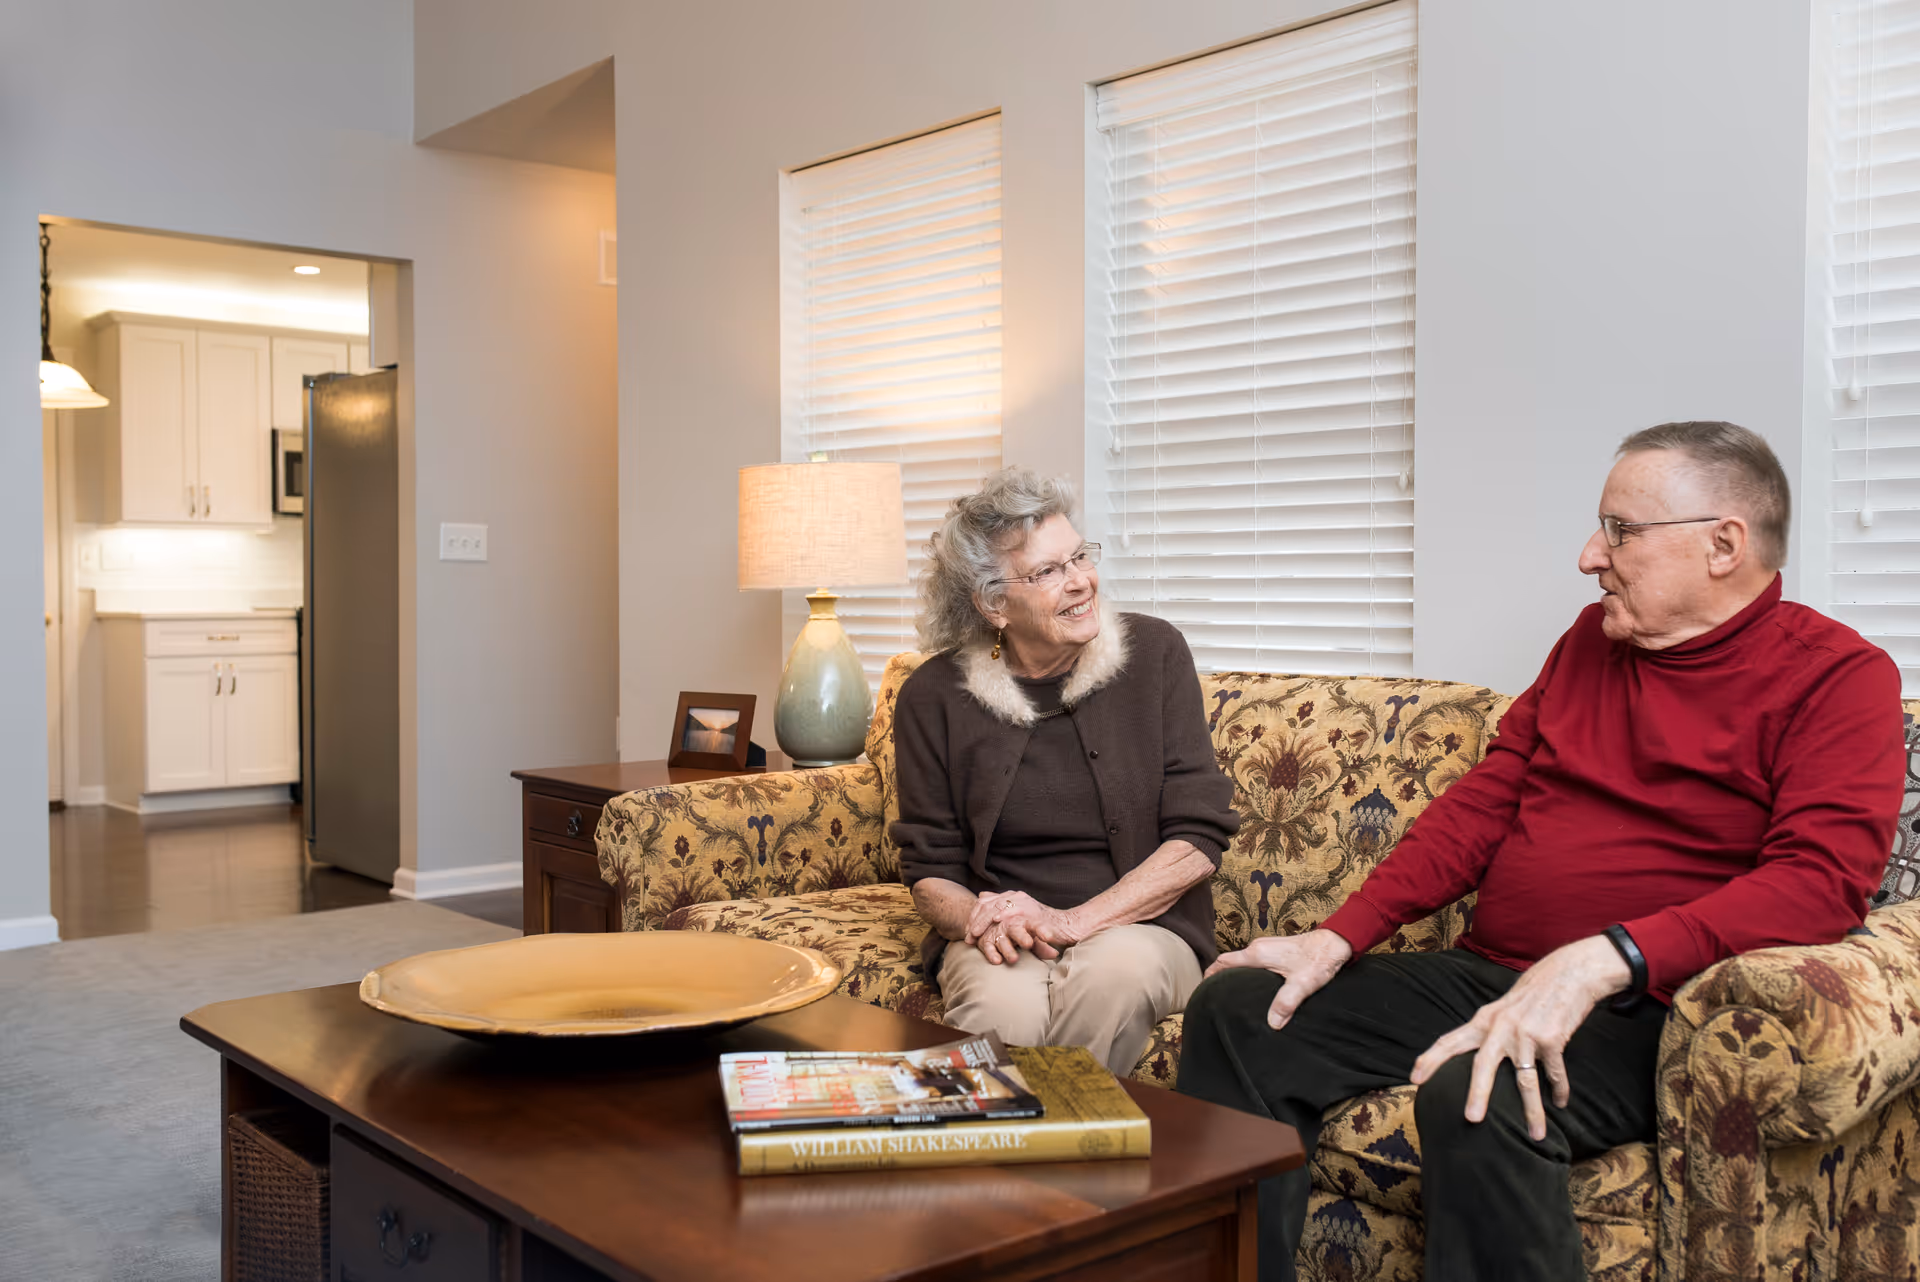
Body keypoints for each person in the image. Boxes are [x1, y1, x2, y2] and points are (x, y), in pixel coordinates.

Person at [1175, 421, 1907, 1281]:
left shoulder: (1839, 677)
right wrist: (1336, 936)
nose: (1591, 555)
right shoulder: (1588, 644)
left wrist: (1606, 959)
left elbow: (1820, 888)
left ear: (1723, 544)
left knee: (1485, 1092)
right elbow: (1483, 807)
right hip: (1493, 972)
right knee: (1244, 1011)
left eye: (1621, 530)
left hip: (1658, 1013)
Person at [889, 467, 1240, 1075]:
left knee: (1109, 979)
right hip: (1005, 933)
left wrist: (1072, 923)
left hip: (1140, 929)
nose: (1081, 582)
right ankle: (986, 1162)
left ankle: (1056, 1167)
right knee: (997, 1011)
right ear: (993, 604)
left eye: (1079, 557)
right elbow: (930, 870)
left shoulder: (1155, 655)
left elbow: (1199, 841)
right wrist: (981, 917)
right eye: (1049, 571)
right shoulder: (933, 694)